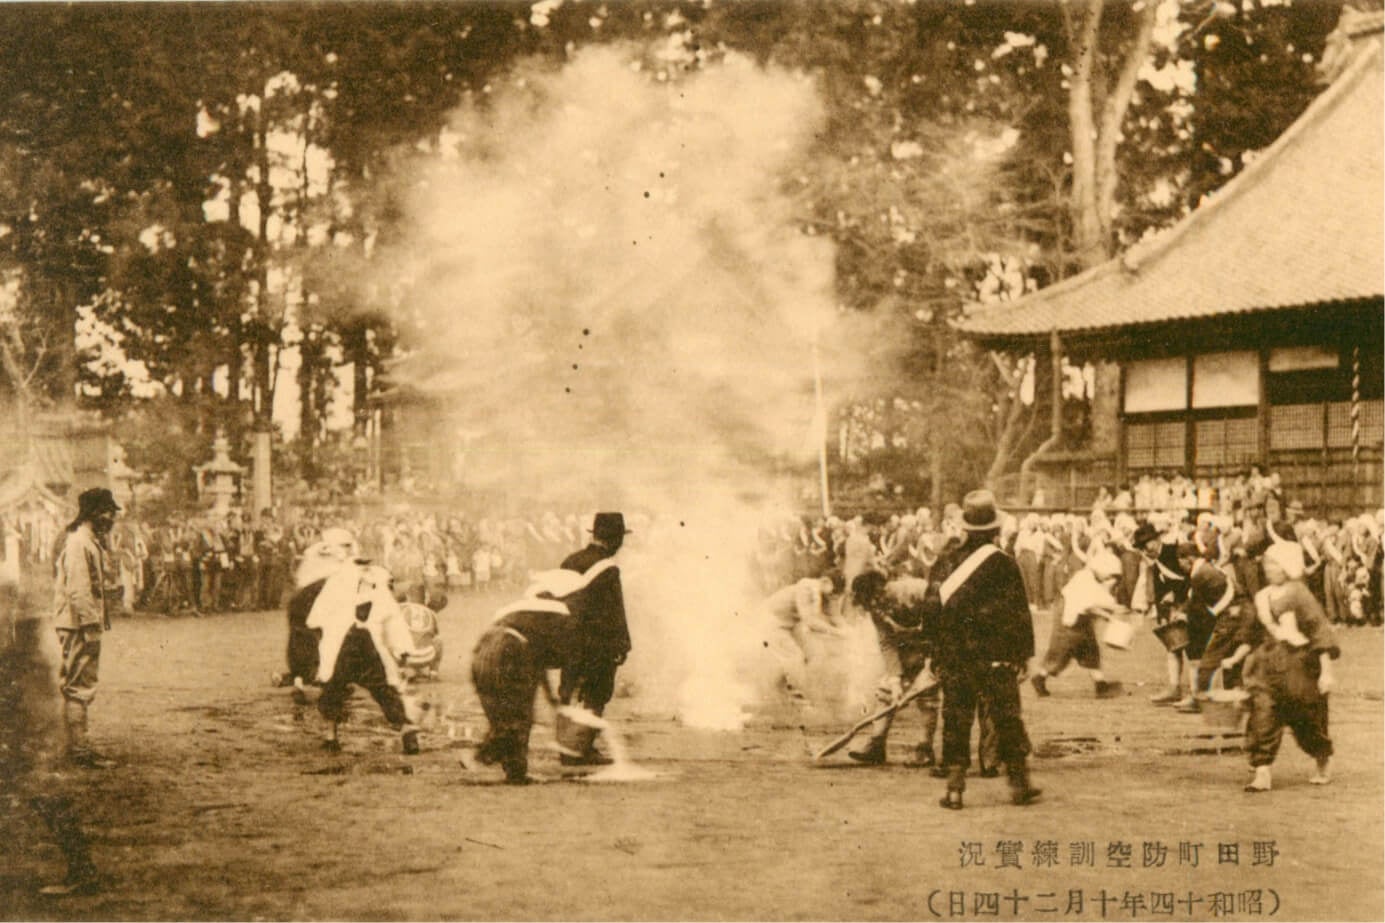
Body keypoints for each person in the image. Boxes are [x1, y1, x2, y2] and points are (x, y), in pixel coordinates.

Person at [923, 489, 1040, 810]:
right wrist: (1023, 655)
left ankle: (955, 790)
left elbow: (931, 609)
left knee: (956, 719)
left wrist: (934, 654)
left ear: (966, 526)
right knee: (1007, 720)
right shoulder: (1005, 564)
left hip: (956, 656)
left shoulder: (945, 563)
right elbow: (1019, 614)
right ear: (995, 528)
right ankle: (1020, 785)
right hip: (996, 658)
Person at [1240, 542, 1340, 793]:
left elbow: (1319, 631)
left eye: (1274, 564)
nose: (1269, 569)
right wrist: (1234, 656)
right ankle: (1262, 771)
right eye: (1267, 564)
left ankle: (1322, 761)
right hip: (1267, 665)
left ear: (1287, 566)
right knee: (1262, 715)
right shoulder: (1262, 596)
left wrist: (1326, 671)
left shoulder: (1299, 594)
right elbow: (1251, 633)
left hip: (1300, 665)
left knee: (1307, 720)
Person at [309, 559, 423, 755]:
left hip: (368, 645)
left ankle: (407, 730)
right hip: (342, 645)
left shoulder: (378, 586)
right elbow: (318, 617)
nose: (363, 571)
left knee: (383, 688)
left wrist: (402, 648)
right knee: (333, 688)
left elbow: (392, 620)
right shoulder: (337, 584)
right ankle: (331, 735)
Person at [470, 584, 579, 784]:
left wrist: (549, 695)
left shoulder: (517, 614)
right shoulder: (553, 618)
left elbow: (539, 660)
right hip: (509, 652)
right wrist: (556, 695)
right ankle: (501, 763)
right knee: (520, 716)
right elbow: (543, 660)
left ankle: (505, 763)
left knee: (500, 715)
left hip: (483, 653)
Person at [51, 488, 122, 769]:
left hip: (76, 622)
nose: (110, 518)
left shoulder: (86, 541)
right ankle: (79, 750)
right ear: (94, 513)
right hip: (79, 623)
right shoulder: (80, 543)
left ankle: (78, 745)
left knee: (79, 683)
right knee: (79, 685)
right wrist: (92, 625)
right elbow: (79, 591)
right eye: (107, 512)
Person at [557, 512, 632, 766]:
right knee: (596, 695)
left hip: (569, 640)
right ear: (616, 539)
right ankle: (580, 749)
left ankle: (566, 746)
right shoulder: (608, 569)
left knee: (569, 691)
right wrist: (623, 644)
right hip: (597, 644)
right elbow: (614, 611)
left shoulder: (570, 561)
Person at [846, 571, 939, 767]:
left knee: (927, 694)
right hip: (909, 650)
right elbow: (887, 643)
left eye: (874, 600)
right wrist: (896, 680)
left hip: (937, 643)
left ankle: (924, 749)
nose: (873, 606)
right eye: (869, 603)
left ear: (882, 589)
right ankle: (876, 745)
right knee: (886, 690)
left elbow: (944, 619)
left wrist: (934, 659)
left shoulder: (916, 590)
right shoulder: (876, 610)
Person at [1030, 550, 1125, 699]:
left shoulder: (1093, 579)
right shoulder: (1084, 579)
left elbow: (1092, 605)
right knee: (1061, 650)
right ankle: (1040, 678)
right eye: (1109, 575)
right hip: (1068, 616)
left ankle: (1100, 685)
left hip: (1080, 617)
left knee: (1090, 649)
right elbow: (1088, 605)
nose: (1110, 579)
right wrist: (1108, 615)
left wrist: (1108, 614)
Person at [761, 572, 847, 703]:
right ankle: (794, 696)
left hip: (789, 624)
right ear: (825, 581)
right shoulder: (808, 588)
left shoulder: (826, 593)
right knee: (794, 656)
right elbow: (810, 621)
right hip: (773, 621)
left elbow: (835, 616)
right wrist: (837, 632)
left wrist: (849, 632)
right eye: (834, 591)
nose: (834, 596)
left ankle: (778, 692)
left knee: (813, 654)